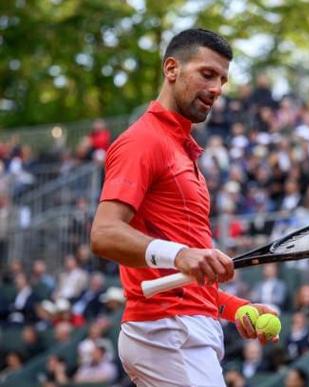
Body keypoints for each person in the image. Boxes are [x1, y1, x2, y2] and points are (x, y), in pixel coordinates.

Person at [90, 28, 277, 386]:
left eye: (223, 80)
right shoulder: (143, 141)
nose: (217, 89)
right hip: (168, 330)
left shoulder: (180, 148)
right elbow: (104, 234)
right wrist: (179, 254)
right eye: (207, 74)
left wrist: (236, 308)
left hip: (180, 328)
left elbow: (185, 279)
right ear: (172, 69)